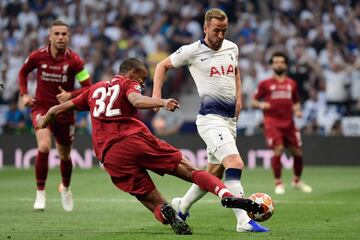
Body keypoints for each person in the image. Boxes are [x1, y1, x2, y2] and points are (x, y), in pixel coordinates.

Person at [36, 58, 264, 235]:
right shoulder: (127, 83)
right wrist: (161, 102)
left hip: (109, 156)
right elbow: (135, 100)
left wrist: (41, 123)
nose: (143, 83)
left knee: (150, 199)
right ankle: (224, 193)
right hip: (133, 139)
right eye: (142, 78)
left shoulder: (93, 90)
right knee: (191, 171)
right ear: (132, 72)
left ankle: (166, 213)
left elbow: (56, 110)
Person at [152, 8, 269, 232]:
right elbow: (161, 66)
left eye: (224, 30)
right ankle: (243, 221)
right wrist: (157, 97)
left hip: (229, 120)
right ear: (205, 28)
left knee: (212, 173)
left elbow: (235, 72)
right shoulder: (192, 51)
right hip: (210, 119)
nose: (221, 35)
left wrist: (239, 98)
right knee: (235, 163)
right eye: (217, 30)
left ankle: (181, 206)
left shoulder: (232, 47)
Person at [18, 20, 92, 211]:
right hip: (42, 108)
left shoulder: (75, 61)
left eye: (64, 34)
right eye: (56, 34)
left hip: (65, 111)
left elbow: (89, 88)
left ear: (68, 37)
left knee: (65, 156)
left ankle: (66, 189)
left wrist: (70, 95)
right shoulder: (38, 56)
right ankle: (40, 194)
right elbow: (23, 72)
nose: (60, 37)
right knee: (43, 146)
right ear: (50, 36)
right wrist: (24, 94)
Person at [252, 51, 313, 195]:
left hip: (289, 124)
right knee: (278, 149)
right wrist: (262, 105)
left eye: (281, 62)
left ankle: (297, 180)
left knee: (298, 153)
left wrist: (297, 111)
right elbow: (253, 101)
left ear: (285, 65)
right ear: (272, 65)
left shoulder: (291, 84)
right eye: (276, 62)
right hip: (272, 123)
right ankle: (278, 182)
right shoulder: (265, 84)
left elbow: (296, 102)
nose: (278, 64)